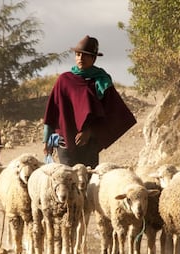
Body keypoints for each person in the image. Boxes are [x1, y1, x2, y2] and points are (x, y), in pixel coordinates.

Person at [43, 35, 137, 168]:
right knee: (68, 180)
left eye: (85, 55)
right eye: (78, 54)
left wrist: (91, 131)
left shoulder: (101, 82)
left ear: (94, 58)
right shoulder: (64, 80)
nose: (80, 58)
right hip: (64, 142)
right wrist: (46, 140)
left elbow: (115, 115)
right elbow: (52, 112)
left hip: (89, 144)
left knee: (88, 181)